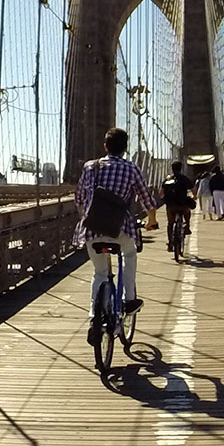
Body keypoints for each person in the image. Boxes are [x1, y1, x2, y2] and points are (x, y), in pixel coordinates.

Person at [77, 126, 154, 345]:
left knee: (100, 272)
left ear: (105, 147)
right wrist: (152, 219)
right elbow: (146, 197)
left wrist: (87, 219)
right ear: (125, 148)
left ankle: (94, 318)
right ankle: (129, 300)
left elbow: (80, 199)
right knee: (129, 255)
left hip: (93, 230)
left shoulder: (90, 167)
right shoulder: (131, 168)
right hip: (120, 229)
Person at [161, 165, 195, 255]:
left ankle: (170, 243)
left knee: (170, 224)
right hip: (182, 205)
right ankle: (187, 226)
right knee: (187, 211)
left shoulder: (167, 179)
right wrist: (194, 197)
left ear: (172, 169)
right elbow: (193, 190)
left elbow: (161, 193)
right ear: (181, 168)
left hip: (171, 206)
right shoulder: (184, 178)